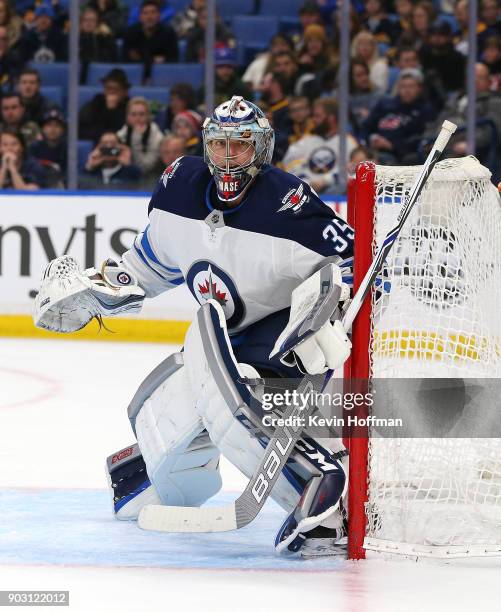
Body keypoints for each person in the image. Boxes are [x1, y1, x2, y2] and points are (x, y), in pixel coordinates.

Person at [34, 96, 354, 558]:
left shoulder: (288, 205)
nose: (228, 157)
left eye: (241, 146)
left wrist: (328, 308)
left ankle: (325, 500)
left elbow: (354, 262)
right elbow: (145, 268)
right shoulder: (178, 187)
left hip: (284, 338)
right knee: (184, 394)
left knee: (245, 399)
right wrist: (94, 291)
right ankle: (148, 474)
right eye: (220, 144)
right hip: (225, 337)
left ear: (262, 150)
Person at [282, 97, 358, 193]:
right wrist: (306, 183)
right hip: (305, 193)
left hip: (335, 194)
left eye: (317, 116)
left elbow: (354, 170)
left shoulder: (348, 142)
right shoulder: (306, 141)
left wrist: (325, 181)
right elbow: (290, 165)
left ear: (331, 118)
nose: (313, 120)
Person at [361, 68, 435, 164]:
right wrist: (372, 138)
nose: (407, 90)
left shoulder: (425, 110)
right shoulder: (385, 104)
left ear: (419, 88)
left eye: (411, 86)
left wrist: (392, 145)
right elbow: (366, 127)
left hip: (400, 155)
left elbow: (422, 138)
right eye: (403, 87)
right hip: (372, 149)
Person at [122, 0, 178, 79]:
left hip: (162, 76)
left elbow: (173, 60)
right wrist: (154, 60)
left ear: (159, 15)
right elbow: (127, 60)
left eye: (153, 12)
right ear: (140, 17)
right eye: (145, 13)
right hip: (135, 77)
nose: (149, 17)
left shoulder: (168, 33)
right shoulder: (130, 33)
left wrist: (142, 58)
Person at [116, 96, 164, 177]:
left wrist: (136, 139)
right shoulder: (122, 133)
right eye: (133, 114)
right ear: (127, 117)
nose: (138, 118)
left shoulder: (157, 137)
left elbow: (145, 168)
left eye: (142, 114)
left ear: (148, 116)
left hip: (150, 178)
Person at [79, 68, 130, 142]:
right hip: (96, 142)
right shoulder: (96, 103)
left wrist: (112, 111)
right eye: (108, 88)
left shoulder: (130, 106)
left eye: (116, 89)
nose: (111, 92)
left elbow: (129, 131)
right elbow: (81, 129)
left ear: (125, 92)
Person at [79, 5, 118, 83]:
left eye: (92, 20)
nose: (88, 23)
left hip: (100, 76)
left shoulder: (106, 39)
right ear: (80, 23)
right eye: (85, 20)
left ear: (97, 23)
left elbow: (109, 61)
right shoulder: (74, 40)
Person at [29, 107, 67, 186]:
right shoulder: (34, 147)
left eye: (57, 126)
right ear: (42, 128)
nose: (53, 129)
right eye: (49, 125)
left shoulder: (67, 148)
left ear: (63, 129)